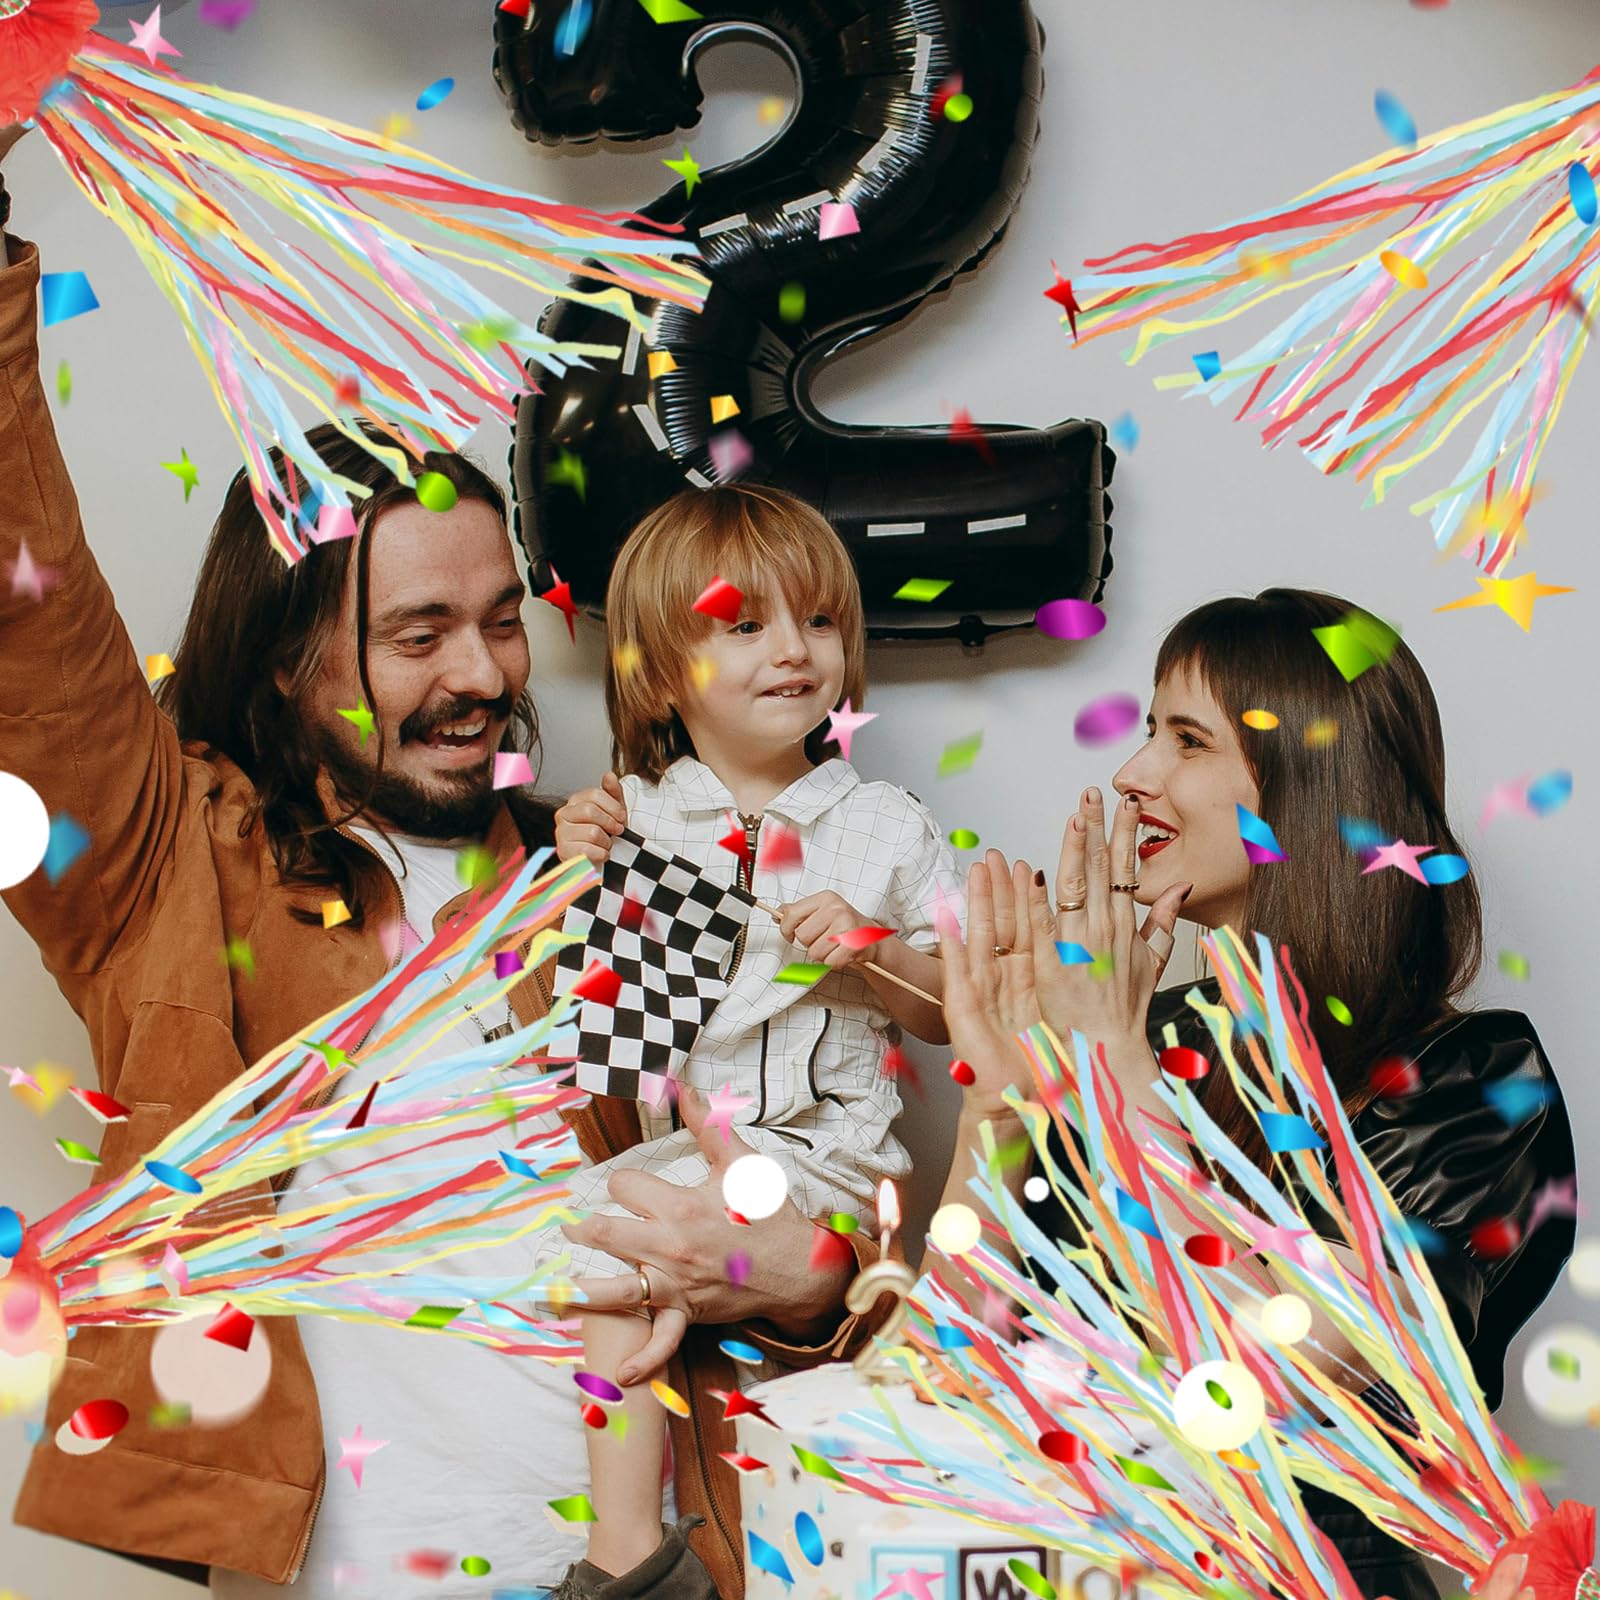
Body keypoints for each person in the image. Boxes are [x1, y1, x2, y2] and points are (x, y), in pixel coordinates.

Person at [0, 143, 897, 1600]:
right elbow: (26, 639)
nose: (481, 674)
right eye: (417, 636)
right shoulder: (178, 870)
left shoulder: (617, 870)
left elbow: (788, 1164)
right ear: (287, 659)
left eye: (497, 621)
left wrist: (804, 1273)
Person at [928, 589, 1577, 1600]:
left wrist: (1112, 1064)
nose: (1133, 772)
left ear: (1308, 790)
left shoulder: (1475, 1084)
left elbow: (1261, 1383)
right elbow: (941, 1366)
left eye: (1188, 741)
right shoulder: (1148, 1036)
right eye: (1149, 730)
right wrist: (1000, 1111)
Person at [548, 485, 962, 1598]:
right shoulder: (639, 814)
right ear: (658, 673)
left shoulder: (884, 824)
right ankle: (638, 1548)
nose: (793, 649)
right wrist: (575, 866)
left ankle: (630, 1559)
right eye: (745, 625)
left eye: (818, 620)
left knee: (628, 1261)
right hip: (692, 1145)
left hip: (829, 1155)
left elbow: (954, 1013)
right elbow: (580, 996)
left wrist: (874, 952)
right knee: (587, 1240)